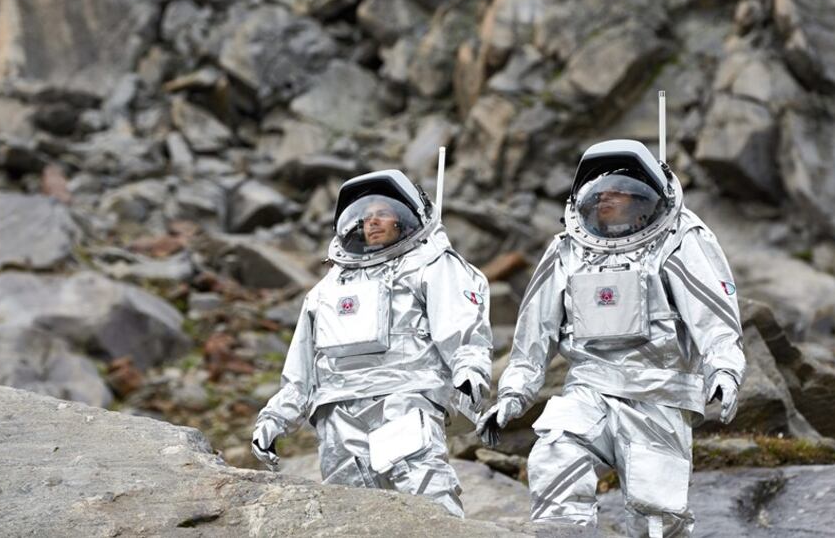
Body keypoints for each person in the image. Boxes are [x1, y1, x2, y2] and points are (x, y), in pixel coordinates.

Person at [478, 139, 745, 537]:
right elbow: (534, 334)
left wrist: (724, 370)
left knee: (658, 516)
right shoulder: (569, 247)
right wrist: (513, 395)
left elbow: (714, 317)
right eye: (600, 191)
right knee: (556, 454)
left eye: (619, 191)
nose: (605, 197)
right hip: (589, 386)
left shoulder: (680, 238)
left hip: (659, 394)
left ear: (643, 199)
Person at [252, 169, 492, 517]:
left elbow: (460, 324)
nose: (373, 221)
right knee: (350, 511)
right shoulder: (327, 288)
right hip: (336, 408)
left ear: (403, 218)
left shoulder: (429, 264)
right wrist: (275, 418)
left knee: (425, 489)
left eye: (383, 212)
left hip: (405, 395)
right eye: (366, 216)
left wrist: (470, 369)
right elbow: (301, 368)